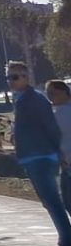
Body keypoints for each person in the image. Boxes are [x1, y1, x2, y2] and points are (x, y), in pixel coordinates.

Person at [6, 62, 71, 246]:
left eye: (16, 76)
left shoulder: (35, 99)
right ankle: (65, 244)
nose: (12, 81)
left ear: (27, 77)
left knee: (53, 202)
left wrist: (57, 151)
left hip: (41, 156)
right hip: (33, 156)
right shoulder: (23, 99)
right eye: (9, 77)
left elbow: (51, 127)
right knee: (50, 202)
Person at [47, 78, 71, 217]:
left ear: (65, 92)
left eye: (53, 93)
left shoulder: (62, 112)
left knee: (67, 201)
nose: (50, 97)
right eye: (48, 93)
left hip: (67, 163)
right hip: (65, 163)